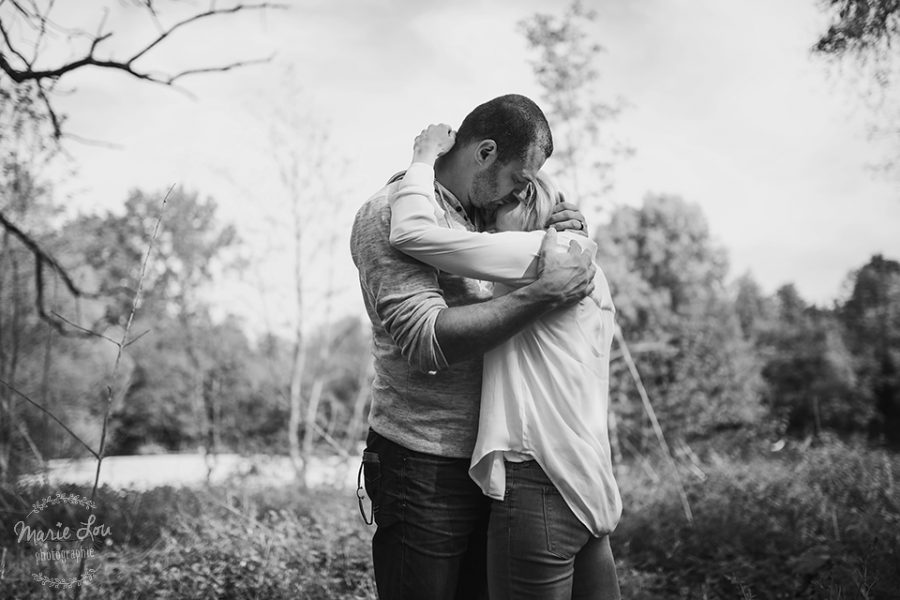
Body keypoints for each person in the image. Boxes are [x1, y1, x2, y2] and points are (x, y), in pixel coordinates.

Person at [349, 94, 594, 600]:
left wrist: (561, 235)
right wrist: (543, 292)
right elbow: (424, 339)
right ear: (485, 153)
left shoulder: (487, 217)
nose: (519, 193)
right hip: (425, 465)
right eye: (519, 180)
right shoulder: (387, 214)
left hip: (501, 463)